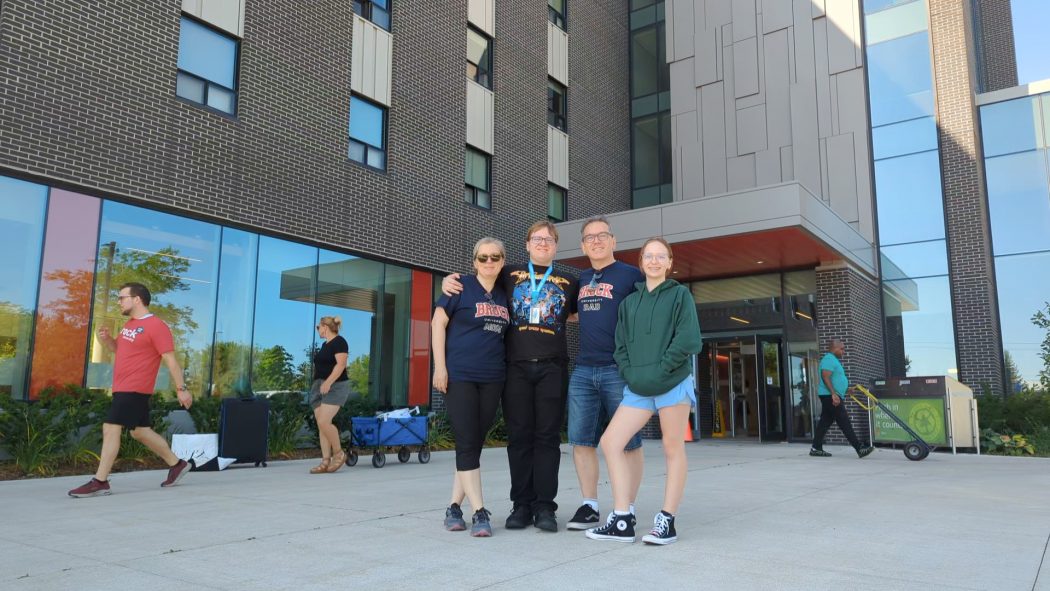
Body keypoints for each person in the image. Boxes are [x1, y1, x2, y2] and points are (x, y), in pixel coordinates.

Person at [443, 221, 578, 532]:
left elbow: (576, 313)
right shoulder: (508, 272)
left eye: (549, 239)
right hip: (514, 367)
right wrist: (447, 282)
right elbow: (478, 276)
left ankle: (545, 507)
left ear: (556, 246)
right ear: (527, 244)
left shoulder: (571, 280)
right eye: (537, 239)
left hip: (552, 367)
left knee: (547, 438)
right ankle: (521, 505)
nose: (543, 243)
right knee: (518, 438)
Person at [585, 238, 700, 545]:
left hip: (673, 383)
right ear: (641, 262)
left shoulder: (679, 296)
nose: (654, 261)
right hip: (639, 387)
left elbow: (688, 340)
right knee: (611, 442)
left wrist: (660, 370)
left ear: (669, 262)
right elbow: (619, 346)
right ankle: (622, 518)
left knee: (672, 448)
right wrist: (631, 373)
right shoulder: (629, 303)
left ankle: (666, 521)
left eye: (660, 256)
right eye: (648, 256)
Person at [68, 283, 193, 497]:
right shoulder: (129, 325)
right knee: (140, 431)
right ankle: (177, 464)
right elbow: (120, 350)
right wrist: (107, 340)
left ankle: (100, 481)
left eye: (122, 297)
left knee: (110, 427)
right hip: (122, 387)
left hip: (135, 388)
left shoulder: (156, 326)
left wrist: (181, 388)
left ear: (137, 299)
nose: (119, 301)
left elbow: (170, 360)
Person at [566, 217, 645, 531]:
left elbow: (648, 309)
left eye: (602, 235)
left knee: (629, 442)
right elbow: (571, 314)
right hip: (584, 368)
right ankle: (589, 506)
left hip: (618, 369)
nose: (596, 241)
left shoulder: (630, 275)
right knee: (581, 440)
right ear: (583, 245)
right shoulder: (582, 278)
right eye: (589, 237)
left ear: (613, 240)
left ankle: (629, 506)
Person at [432, 237, 510, 537]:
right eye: (482, 258)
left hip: (493, 377)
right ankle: (479, 511)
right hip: (460, 375)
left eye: (495, 257)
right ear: (473, 261)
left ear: (503, 260)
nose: (489, 262)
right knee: (466, 441)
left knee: (474, 444)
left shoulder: (506, 292)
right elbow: (437, 324)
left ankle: (453, 507)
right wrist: (440, 367)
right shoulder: (459, 287)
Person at [809, 339, 875, 459]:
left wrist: (846, 390)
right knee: (844, 421)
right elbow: (825, 377)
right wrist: (834, 394)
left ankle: (816, 448)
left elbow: (834, 379)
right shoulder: (829, 359)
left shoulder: (833, 360)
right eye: (842, 349)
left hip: (831, 395)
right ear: (834, 348)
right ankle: (859, 448)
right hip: (830, 396)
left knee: (825, 422)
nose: (843, 351)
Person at [309, 316, 352, 474]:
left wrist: (328, 382)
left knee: (324, 421)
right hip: (319, 387)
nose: (318, 330)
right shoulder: (324, 345)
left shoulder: (340, 342)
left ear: (324, 327)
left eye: (318, 327)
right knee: (322, 425)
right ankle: (325, 461)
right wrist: (320, 384)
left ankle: (339, 453)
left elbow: (341, 365)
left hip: (336, 386)